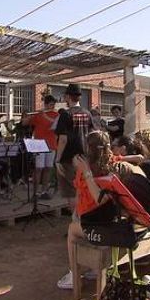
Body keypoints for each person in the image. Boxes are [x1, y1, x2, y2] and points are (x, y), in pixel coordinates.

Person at [57, 130, 143, 290]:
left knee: (72, 231)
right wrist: (131, 157)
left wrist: (82, 171)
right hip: (107, 217)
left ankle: (73, 274)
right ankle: (91, 268)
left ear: (88, 148)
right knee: (78, 223)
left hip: (92, 220)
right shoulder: (112, 164)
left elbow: (84, 193)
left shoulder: (85, 167)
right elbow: (133, 158)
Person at [55, 83, 95, 215]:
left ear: (68, 97)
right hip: (84, 159)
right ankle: (84, 220)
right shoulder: (87, 113)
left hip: (68, 159)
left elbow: (63, 139)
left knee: (71, 192)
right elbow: (92, 136)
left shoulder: (65, 115)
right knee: (82, 189)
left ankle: (77, 222)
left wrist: (57, 160)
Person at [24, 95, 60, 199]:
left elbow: (56, 126)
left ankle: (44, 191)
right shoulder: (39, 115)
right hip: (39, 145)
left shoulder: (57, 115)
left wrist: (44, 115)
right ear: (45, 104)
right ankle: (35, 193)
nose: (52, 106)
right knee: (39, 168)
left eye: (53, 104)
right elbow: (25, 123)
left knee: (48, 168)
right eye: (50, 104)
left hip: (51, 145)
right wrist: (27, 116)